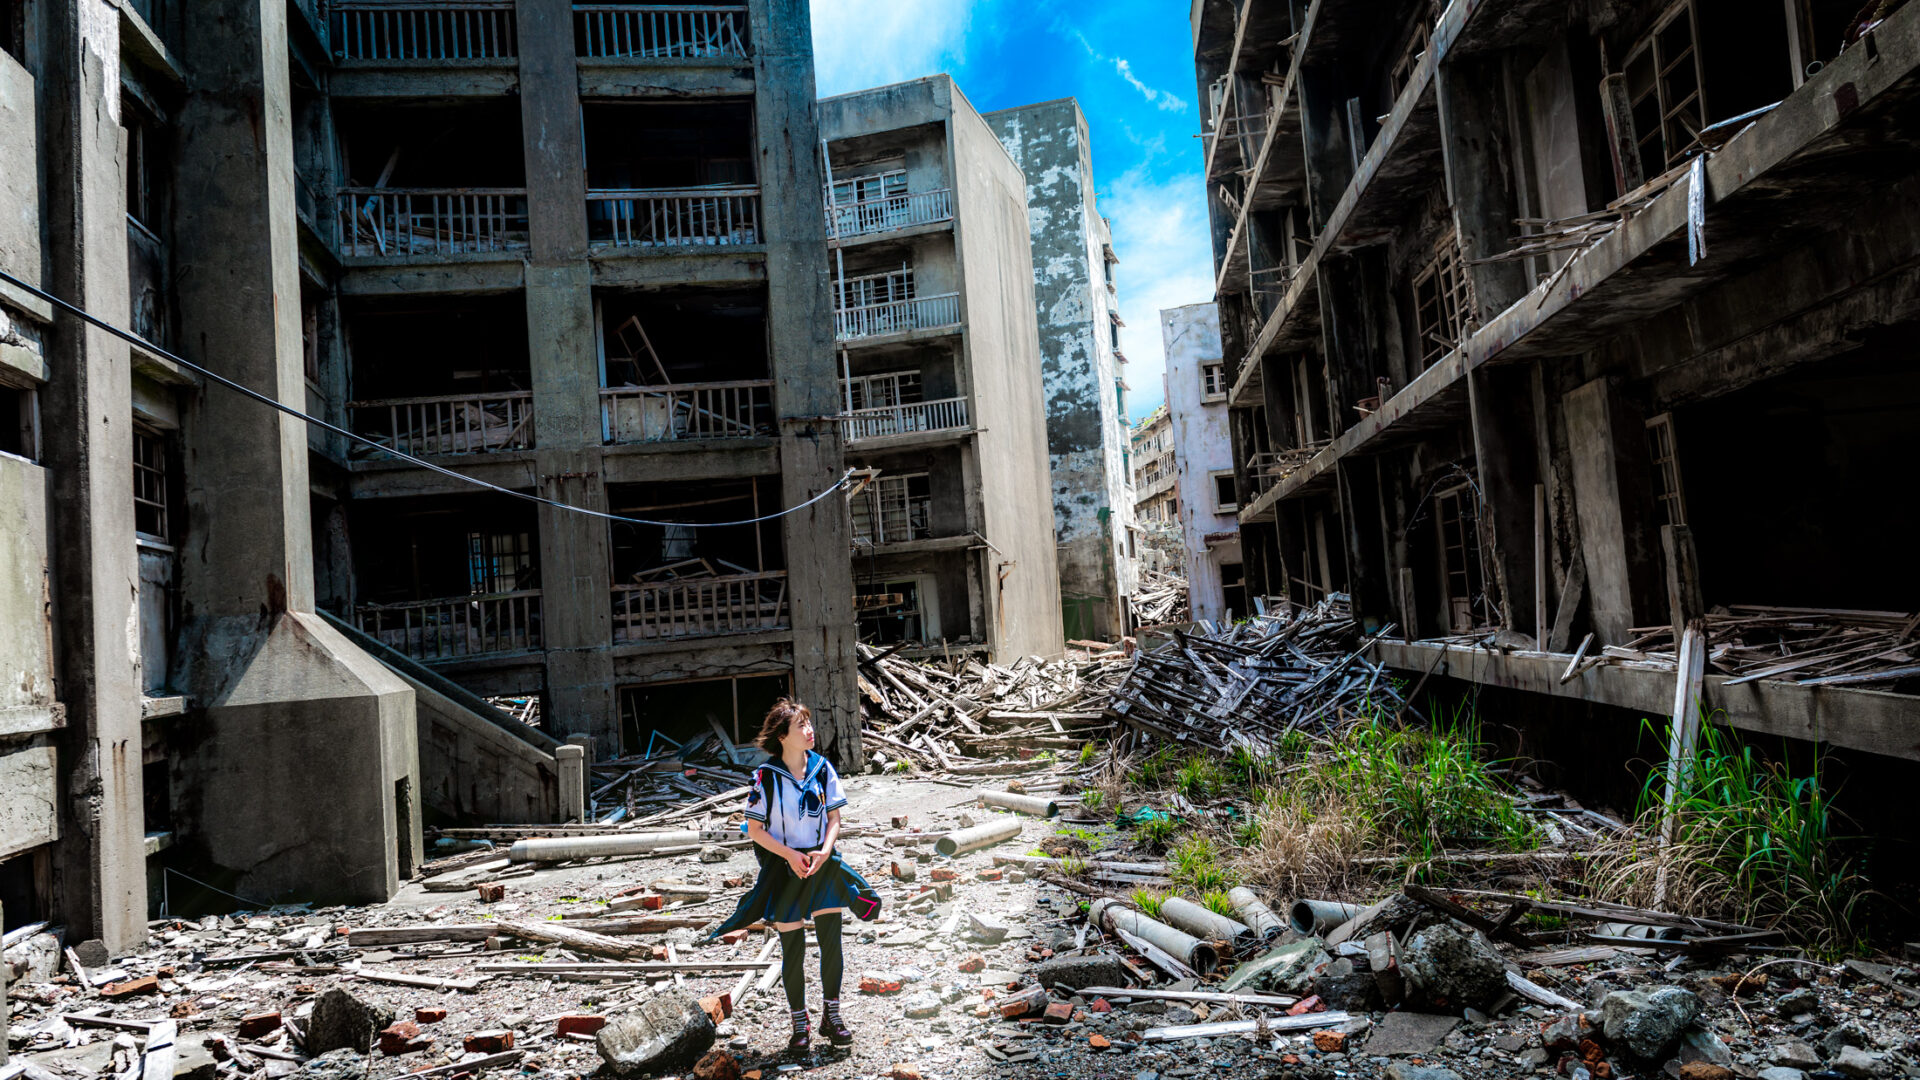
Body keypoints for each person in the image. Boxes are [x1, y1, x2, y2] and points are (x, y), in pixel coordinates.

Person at [705, 699, 878, 1053]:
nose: (810, 730)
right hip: (785, 870)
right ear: (783, 736)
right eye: (801, 725)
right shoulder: (764, 777)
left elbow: (834, 819)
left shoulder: (823, 769)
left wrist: (825, 851)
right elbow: (754, 829)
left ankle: (833, 1016)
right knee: (792, 950)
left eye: (809, 723)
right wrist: (789, 855)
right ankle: (800, 1024)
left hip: (822, 865)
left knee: (832, 944)